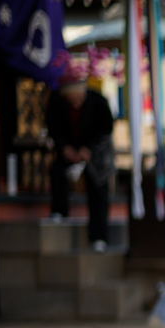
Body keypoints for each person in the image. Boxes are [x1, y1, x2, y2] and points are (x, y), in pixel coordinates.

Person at [46, 61, 113, 251]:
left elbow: (106, 130)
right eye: (71, 100)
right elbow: (53, 128)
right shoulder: (57, 103)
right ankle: (59, 211)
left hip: (96, 154)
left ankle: (99, 236)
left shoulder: (99, 102)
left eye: (77, 99)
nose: (74, 103)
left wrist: (89, 149)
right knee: (57, 172)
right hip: (69, 149)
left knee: (98, 191)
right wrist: (64, 147)